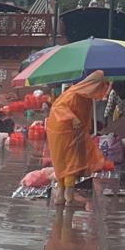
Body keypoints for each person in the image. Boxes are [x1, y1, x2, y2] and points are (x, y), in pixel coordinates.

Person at [46, 71, 110, 208]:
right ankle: (69, 197)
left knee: (64, 163)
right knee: (71, 163)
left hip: (64, 131)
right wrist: (73, 118)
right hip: (65, 131)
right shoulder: (74, 94)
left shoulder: (83, 95)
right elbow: (58, 107)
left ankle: (60, 196)